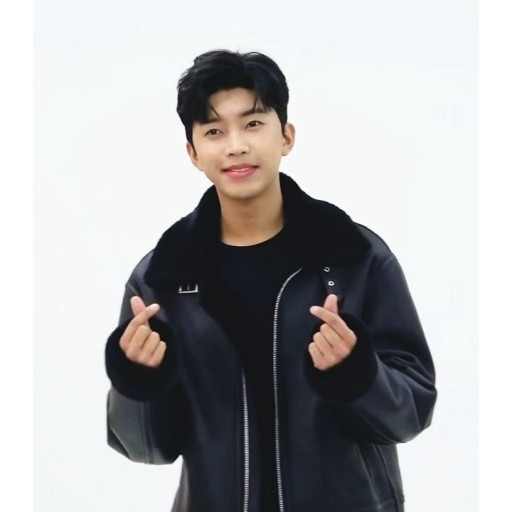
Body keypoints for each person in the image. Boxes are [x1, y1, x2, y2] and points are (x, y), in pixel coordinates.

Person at [105, 49, 437, 512]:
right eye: (214, 131)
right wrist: (139, 381)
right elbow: (145, 449)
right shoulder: (162, 278)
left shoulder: (355, 259)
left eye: (254, 124)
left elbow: (411, 414)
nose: (236, 145)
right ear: (193, 153)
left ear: (286, 136)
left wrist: (356, 373)